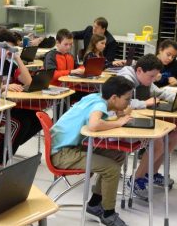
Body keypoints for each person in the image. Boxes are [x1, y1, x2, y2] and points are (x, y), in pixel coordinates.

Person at [50, 76, 134, 226]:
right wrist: (119, 122)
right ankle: (108, 213)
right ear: (114, 98)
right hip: (61, 154)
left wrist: (119, 113)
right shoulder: (99, 105)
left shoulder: (95, 97)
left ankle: (95, 203)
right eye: (127, 99)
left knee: (118, 154)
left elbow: (95, 120)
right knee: (112, 169)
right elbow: (94, 125)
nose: (129, 103)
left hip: (69, 147)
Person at [118, 54, 177, 198]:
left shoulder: (146, 79)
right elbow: (121, 104)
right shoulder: (125, 79)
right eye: (151, 76)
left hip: (138, 119)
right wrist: (145, 103)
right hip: (120, 123)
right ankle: (135, 180)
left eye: (155, 76)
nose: (153, 80)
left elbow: (158, 92)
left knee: (174, 135)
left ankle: (151, 174)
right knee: (158, 142)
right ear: (140, 70)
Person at [0, 28, 41, 166]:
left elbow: (28, 82)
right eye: (9, 47)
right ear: (0, 45)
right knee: (21, 122)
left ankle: (9, 143)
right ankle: (1, 155)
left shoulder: (8, 64)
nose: (10, 50)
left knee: (36, 118)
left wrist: (17, 58)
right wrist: (4, 87)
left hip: (8, 105)